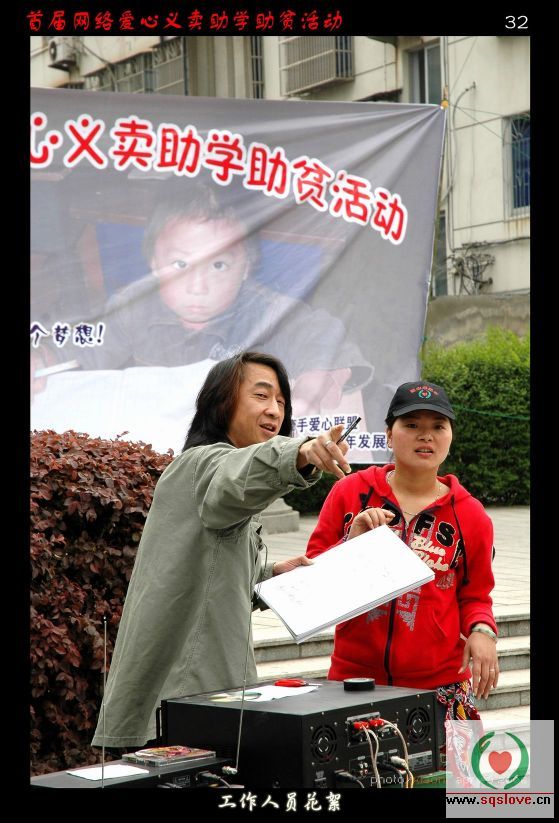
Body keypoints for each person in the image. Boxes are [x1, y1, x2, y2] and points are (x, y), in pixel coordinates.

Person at [91, 350, 351, 749]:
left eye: (281, 401)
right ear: (221, 402)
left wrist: (269, 577)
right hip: (190, 695)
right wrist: (299, 453)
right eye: (261, 395)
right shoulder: (202, 464)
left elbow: (210, 576)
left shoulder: (210, 474)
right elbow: (236, 477)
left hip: (196, 693)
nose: (274, 410)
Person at [32, 182, 373, 417]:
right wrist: (44, 357)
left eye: (219, 265)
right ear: (154, 263)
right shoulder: (134, 304)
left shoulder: (262, 309)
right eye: (180, 265)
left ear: (246, 267)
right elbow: (87, 343)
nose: (198, 286)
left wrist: (323, 372)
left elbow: (320, 332)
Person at [306, 380, 499, 738]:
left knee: (451, 776)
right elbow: (309, 580)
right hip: (355, 683)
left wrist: (483, 631)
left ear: (450, 436)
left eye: (438, 426)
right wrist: (352, 544)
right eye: (411, 425)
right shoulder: (350, 493)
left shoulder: (470, 515)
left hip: (441, 688)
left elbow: (475, 595)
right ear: (388, 436)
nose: (426, 436)